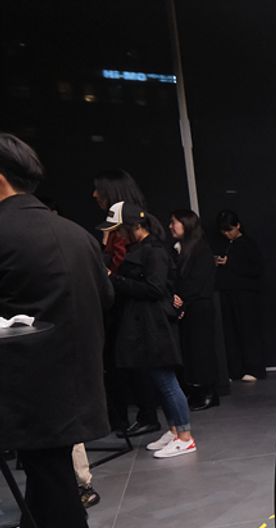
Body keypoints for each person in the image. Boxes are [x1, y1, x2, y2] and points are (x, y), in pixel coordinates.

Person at [0, 133, 112, 528]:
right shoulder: (76, 233)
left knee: (45, 461)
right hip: (80, 366)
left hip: (26, 374)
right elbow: (106, 296)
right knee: (47, 458)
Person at [103, 202, 198, 459]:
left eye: (119, 229)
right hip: (144, 323)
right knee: (159, 380)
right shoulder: (141, 249)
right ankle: (175, 430)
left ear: (134, 226)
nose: (116, 235)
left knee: (166, 380)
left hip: (155, 324)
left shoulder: (154, 251)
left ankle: (185, 437)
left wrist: (113, 278)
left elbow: (155, 289)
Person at [93, 168, 160, 436]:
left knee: (132, 363)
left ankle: (144, 416)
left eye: (98, 189)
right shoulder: (134, 226)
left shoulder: (125, 233)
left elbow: (119, 267)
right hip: (128, 303)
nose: (94, 194)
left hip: (129, 305)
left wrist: (105, 257)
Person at [168, 209, 220, 410]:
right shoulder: (180, 248)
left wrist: (182, 299)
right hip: (188, 306)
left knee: (201, 350)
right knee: (190, 351)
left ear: (186, 224)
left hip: (199, 306)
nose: (171, 226)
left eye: (174, 222)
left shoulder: (200, 249)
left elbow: (197, 282)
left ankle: (208, 392)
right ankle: (197, 390)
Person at [213, 209, 265, 381]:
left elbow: (256, 269)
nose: (227, 234)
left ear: (238, 226)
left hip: (246, 295)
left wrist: (230, 262)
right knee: (232, 332)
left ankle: (254, 368)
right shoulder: (227, 244)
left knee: (248, 331)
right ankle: (236, 369)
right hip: (229, 294)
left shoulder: (247, 244)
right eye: (224, 231)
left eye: (230, 230)